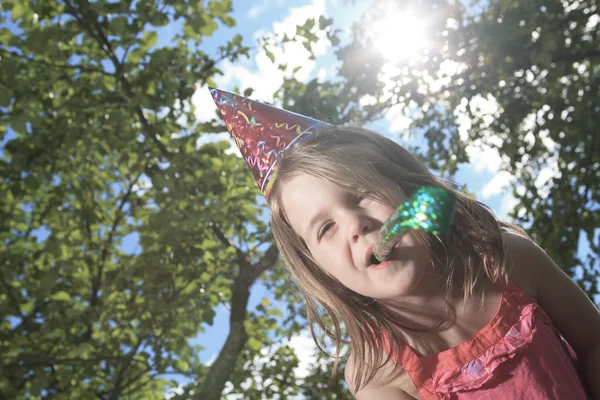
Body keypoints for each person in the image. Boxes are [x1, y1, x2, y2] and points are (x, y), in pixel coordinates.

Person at [210, 88, 600, 399]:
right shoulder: (376, 375)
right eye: (325, 228)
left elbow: (593, 341)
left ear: (407, 188)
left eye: (361, 195)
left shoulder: (505, 259)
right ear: (318, 268)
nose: (355, 225)